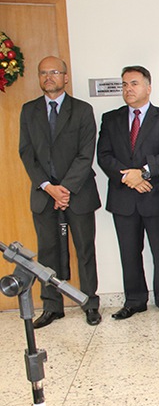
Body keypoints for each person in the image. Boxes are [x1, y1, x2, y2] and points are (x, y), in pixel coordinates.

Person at [19, 56, 102, 328]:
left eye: (54, 72)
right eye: (43, 73)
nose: (48, 77)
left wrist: (64, 189)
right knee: (47, 253)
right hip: (44, 195)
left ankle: (90, 303)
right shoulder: (29, 111)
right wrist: (48, 187)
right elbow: (26, 153)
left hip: (78, 193)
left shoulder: (82, 110)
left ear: (65, 77)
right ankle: (52, 306)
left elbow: (86, 153)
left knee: (85, 250)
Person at [97, 66, 159, 321]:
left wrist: (142, 173)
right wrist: (129, 178)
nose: (128, 89)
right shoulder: (110, 119)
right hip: (123, 197)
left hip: (157, 197)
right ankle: (134, 301)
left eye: (134, 83)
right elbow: (104, 156)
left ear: (148, 87)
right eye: (124, 84)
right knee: (129, 253)